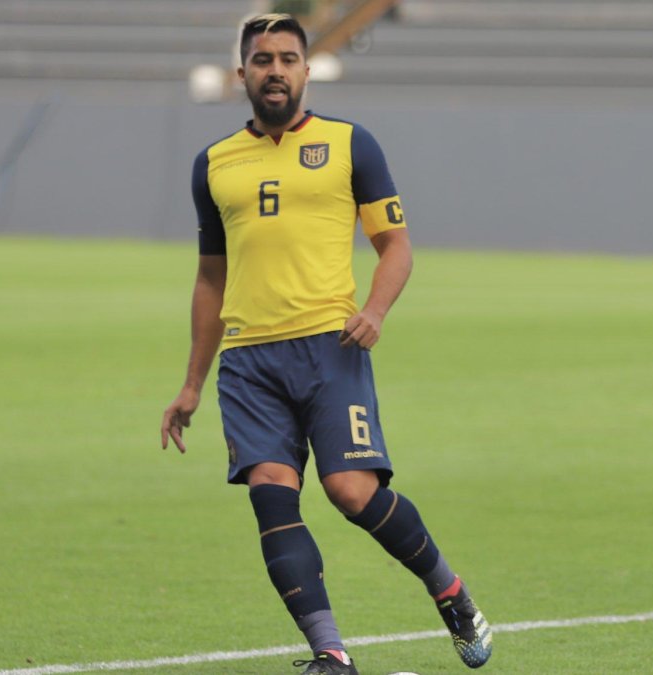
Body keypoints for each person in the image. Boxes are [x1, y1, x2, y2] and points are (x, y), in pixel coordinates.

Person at [160, 14, 493, 674]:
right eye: (263, 60)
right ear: (242, 74)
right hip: (249, 361)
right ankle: (331, 653)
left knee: (350, 491)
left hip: (329, 348)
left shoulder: (350, 145)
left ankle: (452, 593)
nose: (276, 70)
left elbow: (396, 246)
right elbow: (209, 278)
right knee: (271, 494)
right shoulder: (215, 164)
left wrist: (374, 308)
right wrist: (192, 382)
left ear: (307, 70)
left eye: (288, 58)